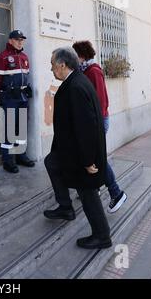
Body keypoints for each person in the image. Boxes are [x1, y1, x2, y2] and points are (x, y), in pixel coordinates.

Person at [44, 47, 112, 249]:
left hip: (81, 153)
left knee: (87, 191)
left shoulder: (76, 86)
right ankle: (65, 207)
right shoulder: (75, 81)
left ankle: (102, 236)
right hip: (69, 149)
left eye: (52, 65)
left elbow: (86, 126)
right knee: (51, 162)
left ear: (62, 65)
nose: (51, 69)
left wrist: (88, 160)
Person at [72, 40, 127, 213]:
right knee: (91, 156)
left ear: (81, 55)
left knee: (98, 158)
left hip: (97, 121)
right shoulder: (84, 71)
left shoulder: (93, 71)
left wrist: (94, 125)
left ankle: (116, 193)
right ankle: (93, 187)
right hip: (93, 121)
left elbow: (100, 101)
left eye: (75, 55)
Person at [0, 30, 35, 174]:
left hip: (22, 97)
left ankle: (21, 155)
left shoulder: (24, 57)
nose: (20, 42)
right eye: (17, 39)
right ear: (10, 41)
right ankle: (8, 161)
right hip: (10, 98)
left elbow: (25, 76)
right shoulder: (2, 57)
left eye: (22, 39)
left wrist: (26, 88)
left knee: (21, 128)